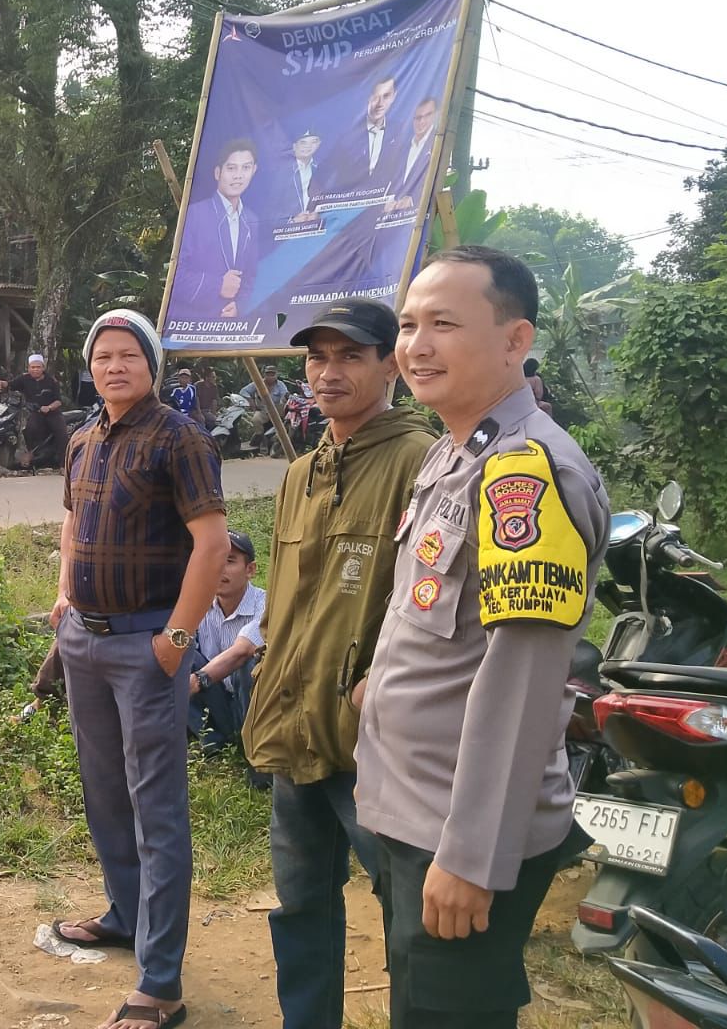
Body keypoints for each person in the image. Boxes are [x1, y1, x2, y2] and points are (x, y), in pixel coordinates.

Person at [356, 246, 608, 1028]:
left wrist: (473, 856)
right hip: (411, 810)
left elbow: (524, 681)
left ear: (514, 339)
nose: (416, 346)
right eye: (408, 326)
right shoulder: (454, 450)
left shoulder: (525, 474)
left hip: (456, 833)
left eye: (444, 324)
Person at [240, 299, 437, 1029]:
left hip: (371, 742)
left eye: (350, 355)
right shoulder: (301, 473)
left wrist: (373, 690)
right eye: (317, 357)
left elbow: (431, 607)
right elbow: (286, 602)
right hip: (294, 728)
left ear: (391, 366)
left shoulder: (422, 462)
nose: (329, 372)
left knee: (407, 913)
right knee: (300, 906)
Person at [49, 308, 229, 1029]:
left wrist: (177, 639)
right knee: (104, 793)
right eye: (103, 356)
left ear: (151, 364)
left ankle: (161, 984)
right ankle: (125, 916)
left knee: (156, 809)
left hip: (145, 647)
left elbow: (212, 544)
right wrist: (64, 593)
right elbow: (71, 521)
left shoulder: (180, 439)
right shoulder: (83, 438)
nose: (114, 366)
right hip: (84, 643)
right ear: (90, 367)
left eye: (128, 354)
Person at [188, 529, 266, 751]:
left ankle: (251, 744)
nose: (219, 568)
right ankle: (212, 740)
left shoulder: (265, 605)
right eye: (214, 560)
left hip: (252, 705)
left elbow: (243, 650)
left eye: (229, 561)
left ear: (250, 570)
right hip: (218, 700)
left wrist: (196, 681)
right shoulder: (199, 603)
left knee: (250, 661)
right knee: (180, 652)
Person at [176, 138, 261, 320]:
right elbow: (175, 275)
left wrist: (241, 306)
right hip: (192, 322)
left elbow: (251, 276)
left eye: (246, 168)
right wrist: (217, 285)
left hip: (232, 325)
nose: (238, 176)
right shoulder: (194, 214)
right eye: (231, 168)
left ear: (254, 170)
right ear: (217, 173)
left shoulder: (251, 220)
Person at [318, 75, 398, 200]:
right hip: (350, 207)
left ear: (394, 96)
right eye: (375, 97)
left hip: (385, 208)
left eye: (386, 96)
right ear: (367, 97)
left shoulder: (400, 132)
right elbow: (322, 174)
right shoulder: (347, 135)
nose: (380, 104)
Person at [10, 352, 70, 467]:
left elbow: (58, 401)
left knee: (62, 434)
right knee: (28, 430)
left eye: (38, 367)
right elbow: (10, 385)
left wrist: (49, 407)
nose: (35, 370)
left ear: (43, 368)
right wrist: (0, 383)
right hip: (36, 413)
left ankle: (64, 465)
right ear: (28, 368)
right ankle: (32, 455)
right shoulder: (24, 379)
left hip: (53, 413)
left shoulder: (51, 381)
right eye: (33, 367)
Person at [383, 97, 440, 214]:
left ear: (435, 116)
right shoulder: (401, 147)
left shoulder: (438, 144)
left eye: (427, 115)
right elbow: (389, 179)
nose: (422, 122)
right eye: (418, 117)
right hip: (393, 215)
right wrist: (387, 200)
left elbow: (438, 182)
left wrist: (413, 200)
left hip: (422, 215)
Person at [279, 129, 323, 222]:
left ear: (319, 144)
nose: (308, 146)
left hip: (315, 227)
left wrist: (318, 215)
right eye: (303, 142)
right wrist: (292, 221)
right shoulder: (281, 173)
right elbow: (268, 209)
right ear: (294, 146)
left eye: (314, 141)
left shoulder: (321, 169)